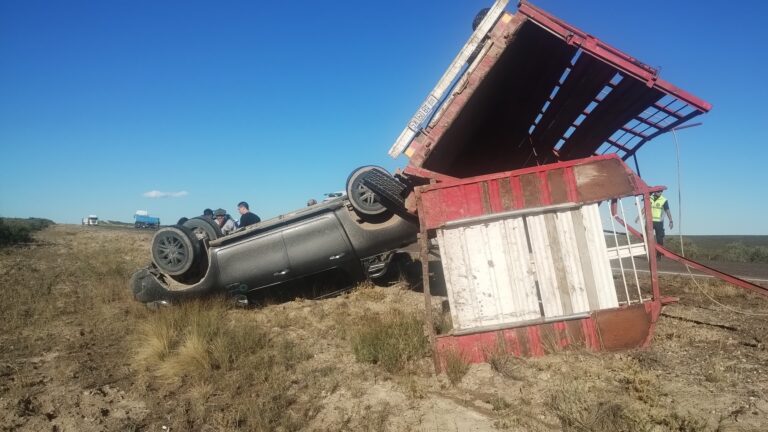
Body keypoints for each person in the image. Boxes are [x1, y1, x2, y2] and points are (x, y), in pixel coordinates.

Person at [650, 191, 673, 258]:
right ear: (654, 191)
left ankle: (659, 255)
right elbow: (644, 207)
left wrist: (671, 221)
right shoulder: (649, 197)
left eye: (660, 191)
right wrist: (638, 218)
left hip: (659, 222)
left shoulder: (664, 200)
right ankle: (650, 254)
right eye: (657, 191)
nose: (659, 192)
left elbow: (667, 210)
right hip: (649, 221)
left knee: (659, 239)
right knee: (648, 238)